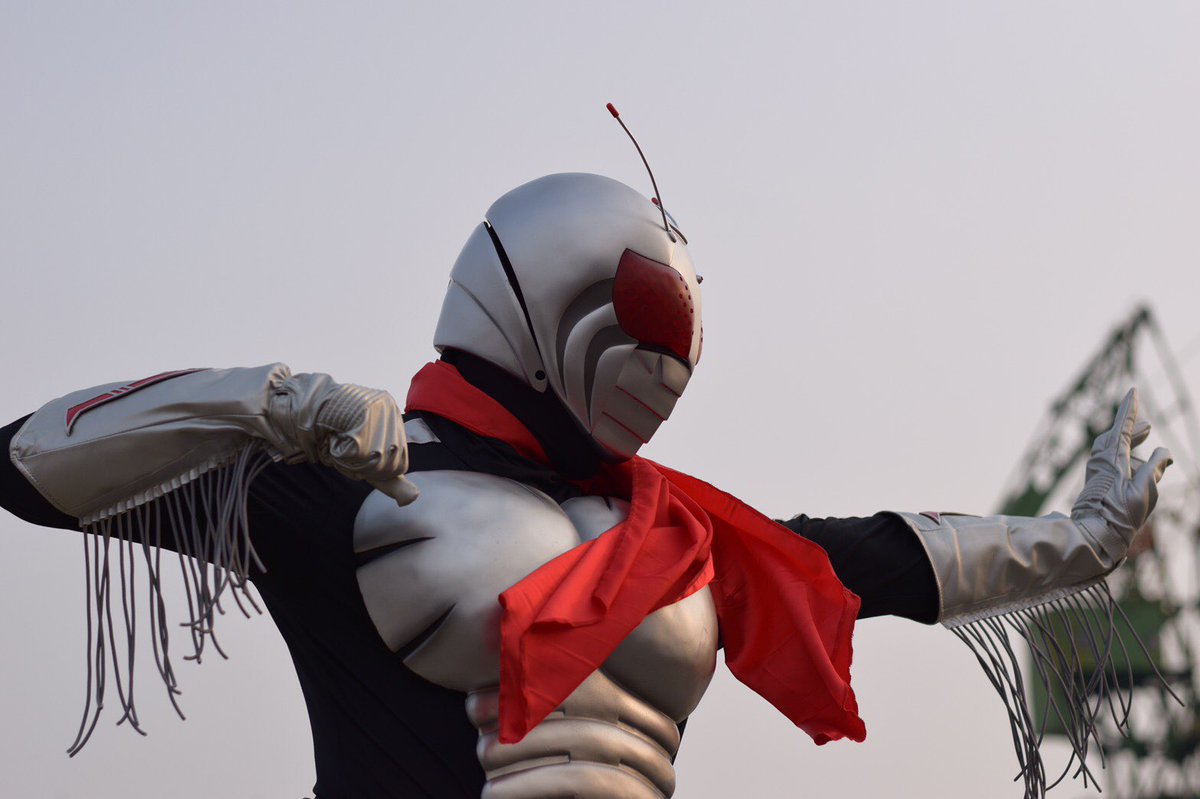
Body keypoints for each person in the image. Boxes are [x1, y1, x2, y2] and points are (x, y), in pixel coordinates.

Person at [0, 172, 1172, 799]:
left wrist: (1082, 538)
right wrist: (262, 402)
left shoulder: (685, 532)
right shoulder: (345, 483)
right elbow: (31, 462)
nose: (665, 358)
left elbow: (882, 555)